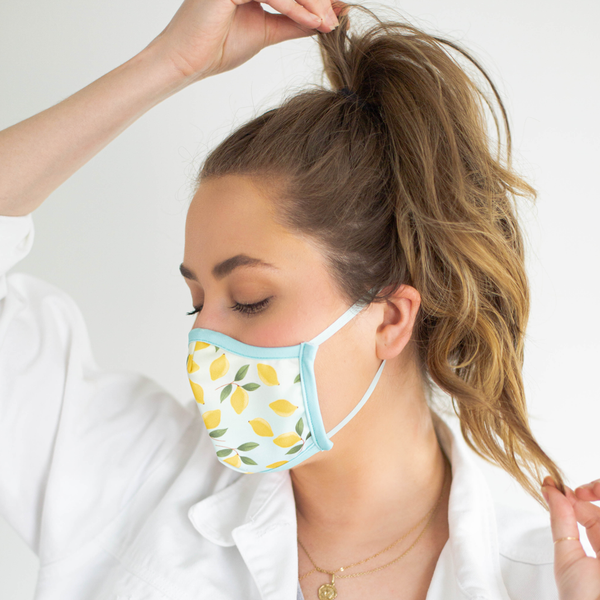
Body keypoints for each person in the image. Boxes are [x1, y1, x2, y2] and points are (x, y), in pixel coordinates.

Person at [0, 0, 598, 599]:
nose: (202, 341)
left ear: (389, 319)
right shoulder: (131, 475)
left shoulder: (550, 577)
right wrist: (169, 63)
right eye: (196, 302)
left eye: (251, 300)